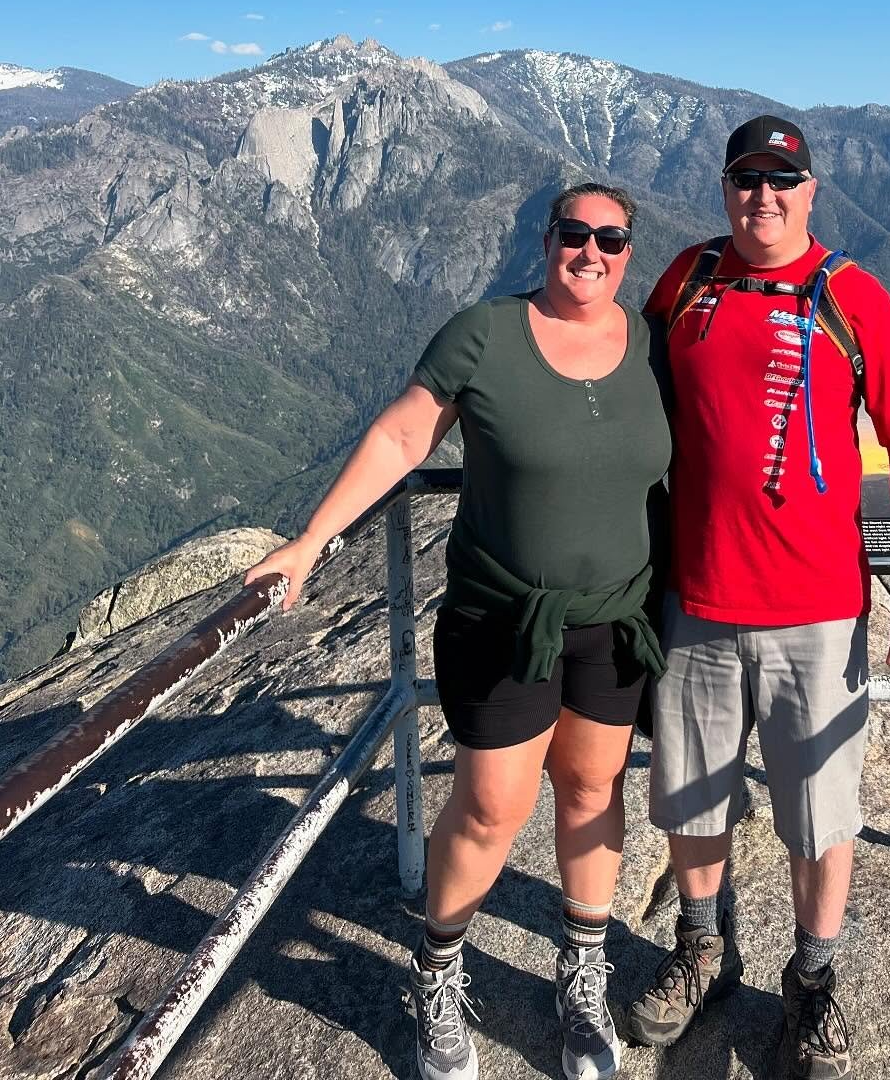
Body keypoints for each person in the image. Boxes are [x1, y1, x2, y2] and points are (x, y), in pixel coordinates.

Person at [245, 182, 671, 1080]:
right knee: (489, 807)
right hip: (502, 620)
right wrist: (311, 541)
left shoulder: (651, 346)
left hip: (614, 621)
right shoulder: (484, 334)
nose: (590, 251)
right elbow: (403, 440)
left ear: (630, 251)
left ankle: (583, 976)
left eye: (611, 238)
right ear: (545, 239)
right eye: (573, 234)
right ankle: (438, 969)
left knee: (594, 793)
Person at [622, 116, 890, 1080]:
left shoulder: (853, 296)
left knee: (820, 814)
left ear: (812, 193)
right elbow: (619, 387)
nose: (762, 198)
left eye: (781, 182)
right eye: (744, 181)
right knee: (691, 800)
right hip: (698, 600)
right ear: (724, 188)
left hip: (818, 614)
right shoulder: (687, 282)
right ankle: (702, 950)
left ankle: (811, 981)